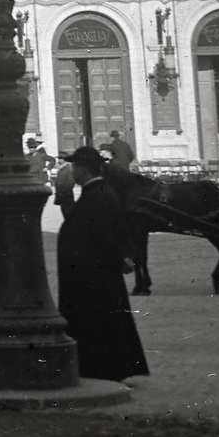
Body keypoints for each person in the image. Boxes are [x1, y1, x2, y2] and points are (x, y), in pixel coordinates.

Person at [57, 146, 149, 381]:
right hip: (97, 274)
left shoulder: (96, 195)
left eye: (75, 167)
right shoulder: (100, 191)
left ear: (83, 170)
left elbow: (105, 235)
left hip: (94, 275)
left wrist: (120, 258)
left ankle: (103, 369)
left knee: (99, 325)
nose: (72, 172)